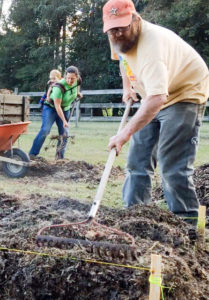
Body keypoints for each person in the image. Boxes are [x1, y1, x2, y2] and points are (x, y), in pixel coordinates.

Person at [103, 0, 209, 225]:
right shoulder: (116, 38)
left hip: (184, 93)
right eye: (112, 29)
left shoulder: (152, 45)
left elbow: (158, 98)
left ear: (136, 19)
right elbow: (122, 60)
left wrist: (124, 134)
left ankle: (187, 224)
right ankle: (134, 218)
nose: (118, 33)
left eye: (122, 27)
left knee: (172, 165)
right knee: (137, 160)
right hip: (152, 94)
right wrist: (127, 86)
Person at [29, 66, 82, 159]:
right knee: (45, 130)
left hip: (65, 109)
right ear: (65, 76)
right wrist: (64, 121)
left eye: (72, 78)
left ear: (77, 77)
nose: (70, 81)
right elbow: (57, 106)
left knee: (64, 133)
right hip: (51, 108)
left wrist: (77, 93)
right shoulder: (59, 86)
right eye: (68, 78)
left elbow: (76, 86)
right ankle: (32, 154)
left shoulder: (78, 81)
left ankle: (59, 158)